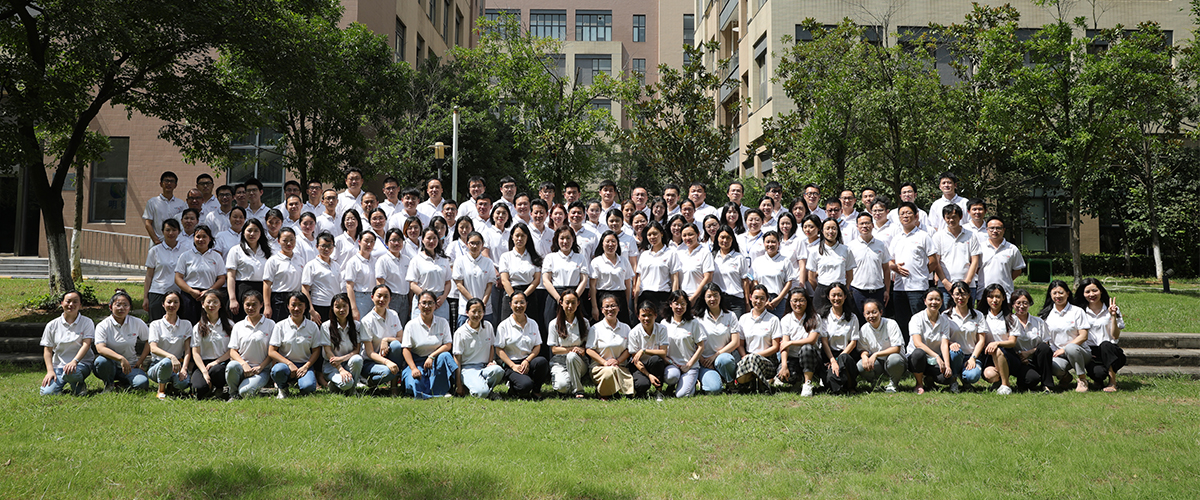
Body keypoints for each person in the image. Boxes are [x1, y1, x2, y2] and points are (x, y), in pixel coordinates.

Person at [890, 202, 940, 343]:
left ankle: (921, 349)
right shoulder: (896, 238)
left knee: (919, 322)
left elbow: (933, 261)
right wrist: (895, 268)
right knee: (902, 321)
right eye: (902, 214)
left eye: (908, 213)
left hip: (918, 288)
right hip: (899, 288)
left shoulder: (924, 236)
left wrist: (922, 273)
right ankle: (905, 350)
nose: (905, 216)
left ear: (916, 216)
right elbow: (890, 261)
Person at [399, 291, 458, 399]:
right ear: (418, 305)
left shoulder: (443, 322)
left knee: (445, 356)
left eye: (430, 303)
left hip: (436, 361)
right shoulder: (411, 325)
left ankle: (441, 390)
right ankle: (429, 392)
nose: (427, 306)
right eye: (424, 303)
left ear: (435, 305)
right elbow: (406, 349)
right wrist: (413, 368)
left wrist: (432, 356)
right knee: (415, 384)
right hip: (417, 362)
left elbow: (448, 345)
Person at [268, 292, 326, 398]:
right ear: (288, 306)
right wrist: (289, 364)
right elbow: (271, 351)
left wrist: (306, 367)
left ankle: (300, 383)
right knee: (278, 370)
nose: (296, 308)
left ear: (305, 306)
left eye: (300, 305)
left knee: (308, 387)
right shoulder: (280, 326)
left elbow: (316, 350)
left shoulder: (312, 326)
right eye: (293, 305)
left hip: (304, 365)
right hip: (285, 365)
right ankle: (283, 388)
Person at [1037, 280, 1091, 393]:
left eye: (1061, 293)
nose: (1058, 296)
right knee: (1051, 366)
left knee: (1071, 348)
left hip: (1079, 352)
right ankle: (1065, 377)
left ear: (1067, 293)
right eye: (1054, 293)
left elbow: (1083, 336)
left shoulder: (1077, 311)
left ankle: (1082, 379)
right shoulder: (1046, 315)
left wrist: (1064, 349)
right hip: (1058, 354)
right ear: (1050, 295)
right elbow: (1045, 338)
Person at [495, 292, 549, 398]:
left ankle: (536, 390)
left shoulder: (533, 323)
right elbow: (499, 349)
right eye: (516, 303)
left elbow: (537, 346)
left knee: (542, 362)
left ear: (526, 304)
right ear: (510, 304)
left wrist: (527, 360)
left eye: (522, 302)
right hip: (512, 363)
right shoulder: (504, 325)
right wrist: (513, 366)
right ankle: (514, 387)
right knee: (525, 386)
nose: (519, 305)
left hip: (528, 361)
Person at [1075, 278, 1125, 392]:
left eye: (1094, 290)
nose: (1091, 294)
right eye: (1087, 292)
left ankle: (1112, 382)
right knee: (1098, 374)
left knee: (1105, 345)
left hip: (1111, 350)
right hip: (1092, 351)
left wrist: (1113, 316)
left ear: (1101, 291)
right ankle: (1098, 380)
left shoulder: (1112, 308)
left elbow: (1115, 336)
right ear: (1082, 294)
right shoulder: (1079, 311)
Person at [541, 226, 590, 343]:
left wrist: (574, 298)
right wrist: (559, 299)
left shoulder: (580, 257)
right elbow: (546, 280)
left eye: (568, 238)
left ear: (573, 239)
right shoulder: (550, 257)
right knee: (553, 331)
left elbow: (584, 279)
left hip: (575, 295)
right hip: (555, 296)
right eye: (562, 238)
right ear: (557, 240)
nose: (565, 241)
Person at [94, 290, 149, 392]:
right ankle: (109, 383)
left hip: (131, 366)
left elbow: (149, 341)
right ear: (110, 307)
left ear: (129, 307)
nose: (122, 308)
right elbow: (100, 348)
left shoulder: (137, 322)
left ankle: (122, 384)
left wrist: (141, 360)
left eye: (125, 305)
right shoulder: (103, 325)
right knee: (101, 361)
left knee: (142, 384)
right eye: (118, 305)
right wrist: (120, 358)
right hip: (110, 366)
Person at [226, 290, 276, 399]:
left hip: (261, 370)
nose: (250, 308)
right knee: (231, 366)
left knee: (245, 392)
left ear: (261, 305)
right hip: (241, 367)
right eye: (247, 304)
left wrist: (261, 367)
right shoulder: (238, 326)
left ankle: (243, 389)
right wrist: (244, 364)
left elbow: (273, 351)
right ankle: (233, 394)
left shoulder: (270, 324)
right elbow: (233, 351)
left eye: (254, 304)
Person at [694, 283, 742, 394]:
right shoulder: (697, 319)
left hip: (723, 358)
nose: (713, 299)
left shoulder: (730, 315)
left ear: (720, 296)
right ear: (704, 298)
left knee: (724, 360)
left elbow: (735, 342)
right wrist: (703, 360)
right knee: (714, 389)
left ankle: (730, 382)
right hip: (706, 362)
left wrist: (716, 355)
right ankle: (711, 380)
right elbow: (694, 344)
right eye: (709, 296)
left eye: (715, 295)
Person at [773, 289, 823, 396]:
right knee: (783, 376)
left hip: (811, 357)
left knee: (806, 348)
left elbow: (812, 340)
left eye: (801, 300)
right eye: (795, 301)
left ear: (807, 301)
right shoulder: (786, 319)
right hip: (793, 358)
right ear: (790, 302)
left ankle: (808, 383)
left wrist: (791, 343)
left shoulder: (815, 317)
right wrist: (784, 365)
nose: (798, 304)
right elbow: (784, 345)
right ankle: (798, 379)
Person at [453, 298, 505, 398]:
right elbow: (457, 359)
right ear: (467, 312)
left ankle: (484, 388)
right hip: (468, 369)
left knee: (498, 371)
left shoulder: (488, 326)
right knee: (481, 393)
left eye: (480, 311)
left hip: (484, 367)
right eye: (474, 311)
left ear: (484, 312)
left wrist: (490, 362)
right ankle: (483, 391)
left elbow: (491, 346)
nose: (477, 315)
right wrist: (458, 384)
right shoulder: (460, 333)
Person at [734, 285, 782, 392]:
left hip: (768, 361)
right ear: (750, 297)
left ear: (767, 299)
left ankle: (761, 385)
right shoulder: (744, 319)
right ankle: (758, 383)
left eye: (762, 298)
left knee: (753, 359)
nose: (758, 301)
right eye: (756, 298)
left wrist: (755, 356)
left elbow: (775, 347)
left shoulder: (773, 320)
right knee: (742, 373)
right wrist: (745, 356)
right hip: (747, 358)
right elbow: (740, 344)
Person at [174, 225, 225, 324]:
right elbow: (178, 278)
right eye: (198, 236)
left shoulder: (216, 256)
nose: (201, 239)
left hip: (209, 296)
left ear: (210, 239)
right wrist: (191, 291)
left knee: (208, 324)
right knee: (188, 324)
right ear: (193, 238)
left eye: (204, 236)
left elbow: (221, 278)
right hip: (189, 295)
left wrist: (209, 291)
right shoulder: (185, 256)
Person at [587, 294, 635, 399]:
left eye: (613, 306)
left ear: (618, 308)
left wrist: (617, 361)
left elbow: (629, 349)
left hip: (620, 367)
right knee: (609, 372)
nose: (610, 309)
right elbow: (589, 350)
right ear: (602, 310)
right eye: (606, 306)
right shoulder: (595, 328)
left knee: (616, 371)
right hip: (600, 367)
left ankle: (610, 389)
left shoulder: (626, 328)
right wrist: (605, 362)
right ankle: (604, 392)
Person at [905, 288, 952, 395]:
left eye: (937, 299)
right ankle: (919, 383)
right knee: (919, 353)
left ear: (942, 301)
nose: (934, 302)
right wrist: (937, 356)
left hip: (933, 360)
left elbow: (944, 344)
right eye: (930, 299)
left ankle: (929, 379)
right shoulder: (916, 318)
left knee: (946, 379)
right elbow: (917, 343)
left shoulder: (945, 320)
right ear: (925, 301)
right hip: (916, 359)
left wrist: (947, 365)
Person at [933, 204, 981, 308]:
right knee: (946, 315)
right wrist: (945, 282)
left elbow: (975, 261)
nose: (951, 220)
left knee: (968, 314)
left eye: (954, 217)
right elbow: (936, 262)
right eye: (948, 217)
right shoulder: (938, 236)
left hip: (968, 286)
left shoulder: (971, 235)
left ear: (960, 217)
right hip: (945, 287)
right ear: (944, 218)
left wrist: (967, 282)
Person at [848, 212, 892, 324]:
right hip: (858, 291)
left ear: (872, 225)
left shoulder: (881, 245)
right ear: (857, 226)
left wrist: (887, 290)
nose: (864, 226)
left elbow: (886, 269)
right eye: (861, 224)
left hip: (878, 290)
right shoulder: (851, 246)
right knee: (859, 322)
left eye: (867, 223)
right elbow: (847, 270)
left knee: (878, 322)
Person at [855, 299, 907, 393]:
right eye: (868, 313)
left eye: (874, 312)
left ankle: (894, 383)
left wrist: (876, 354)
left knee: (894, 359)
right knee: (860, 365)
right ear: (864, 315)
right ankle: (875, 383)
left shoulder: (891, 324)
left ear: (881, 312)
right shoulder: (864, 329)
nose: (871, 316)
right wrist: (864, 356)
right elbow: (863, 349)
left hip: (894, 361)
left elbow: (896, 348)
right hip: (877, 363)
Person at [148, 291, 192, 400]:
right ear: (163, 304)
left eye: (176, 302)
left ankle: (171, 385)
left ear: (179, 304)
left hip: (178, 366)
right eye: (169, 302)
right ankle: (161, 390)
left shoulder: (186, 324)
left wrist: (184, 368)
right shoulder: (155, 324)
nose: (172, 305)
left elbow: (187, 350)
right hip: (158, 364)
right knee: (167, 362)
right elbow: (153, 348)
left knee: (183, 384)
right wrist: (171, 357)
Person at [807, 219, 856, 316]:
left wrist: (844, 289)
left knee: (842, 317)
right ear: (822, 231)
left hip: (840, 290)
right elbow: (811, 277)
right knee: (820, 320)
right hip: (822, 290)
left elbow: (850, 274)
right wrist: (820, 289)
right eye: (827, 228)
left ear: (838, 231)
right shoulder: (815, 251)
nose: (831, 231)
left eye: (834, 228)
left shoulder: (846, 250)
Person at [662, 291, 707, 398]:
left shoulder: (693, 322)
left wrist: (689, 365)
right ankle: (673, 384)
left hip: (690, 366)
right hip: (672, 365)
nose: (679, 307)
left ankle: (691, 382)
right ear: (670, 304)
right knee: (671, 377)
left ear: (687, 305)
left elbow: (701, 346)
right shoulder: (664, 323)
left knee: (681, 395)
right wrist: (670, 362)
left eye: (683, 304)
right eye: (676, 303)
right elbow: (661, 348)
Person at [226, 219, 272, 321]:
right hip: (242, 290)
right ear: (243, 232)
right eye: (249, 230)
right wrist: (232, 299)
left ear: (261, 233)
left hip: (262, 290)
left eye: (256, 231)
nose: (252, 234)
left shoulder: (267, 251)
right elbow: (231, 276)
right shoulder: (236, 250)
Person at [189, 290, 232, 400]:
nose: (211, 305)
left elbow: (232, 350)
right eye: (208, 302)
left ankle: (219, 388)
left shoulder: (229, 325)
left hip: (222, 362)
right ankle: (209, 386)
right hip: (203, 364)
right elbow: (195, 353)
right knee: (199, 389)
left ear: (220, 305)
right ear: (202, 304)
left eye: (215, 302)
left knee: (216, 370)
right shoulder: (198, 327)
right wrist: (204, 372)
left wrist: (216, 362)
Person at [943, 281, 984, 392]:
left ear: (969, 295)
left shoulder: (978, 315)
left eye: (964, 294)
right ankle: (953, 381)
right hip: (954, 356)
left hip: (971, 355)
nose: (960, 298)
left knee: (972, 376)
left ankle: (966, 381)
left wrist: (973, 358)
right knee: (955, 352)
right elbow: (942, 339)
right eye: (957, 294)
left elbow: (981, 340)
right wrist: (951, 343)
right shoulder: (946, 316)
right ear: (952, 296)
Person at [319, 293, 365, 394]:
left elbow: (357, 350)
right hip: (332, 366)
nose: (341, 310)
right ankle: (339, 385)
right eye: (338, 307)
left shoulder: (357, 325)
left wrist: (341, 359)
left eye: (344, 306)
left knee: (357, 359)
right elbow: (328, 352)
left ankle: (352, 389)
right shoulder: (326, 326)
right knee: (346, 383)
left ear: (349, 307)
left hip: (349, 363)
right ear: (332, 308)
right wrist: (340, 369)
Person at [819, 283, 860, 395]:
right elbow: (824, 341)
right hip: (829, 355)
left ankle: (851, 386)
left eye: (840, 295)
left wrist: (838, 360)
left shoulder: (852, 317)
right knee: (830, 380)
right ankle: (839, 385)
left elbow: (853, 342)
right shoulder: (824, 317)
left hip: (847, 354)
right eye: (833, 295)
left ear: (845, 296)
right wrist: (832, 360)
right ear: (828, 297)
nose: (836, 298)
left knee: (844, 359)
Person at [546, 289, 588, 397]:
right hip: (560, 362)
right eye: (567, 302)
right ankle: (570, 381)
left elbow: (587, 345)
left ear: (578, 303)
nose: (570, 306)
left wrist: (582, 350)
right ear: (561, 303)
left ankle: (578, 390)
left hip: (578, 361)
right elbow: (554, 350)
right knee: (562, 387)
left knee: (572, 356)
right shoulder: (554, 324)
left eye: (573, 303)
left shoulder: (584, 323)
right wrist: (572, 349)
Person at [406, 227, 452, 321]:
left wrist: (443, 297)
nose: (432, 241)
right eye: (428, 238)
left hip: (440, 302)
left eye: (434, 238)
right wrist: (426, 297)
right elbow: (412, 284)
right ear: (422, 240)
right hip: (423, 300)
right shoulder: (416, 260)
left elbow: (448, 282)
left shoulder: (443, 259)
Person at [452, 231, 497, 328]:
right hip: (465, 309)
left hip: (485, 310)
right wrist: (474, 303)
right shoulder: (460, 261)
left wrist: (482, 304)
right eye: (472, 243)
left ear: (482, 245)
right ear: (467, 244)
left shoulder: (488, 262)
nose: (475, 246)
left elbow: (489, 285)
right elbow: (459, 285)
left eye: (478, 243)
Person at [977, 284, 1016, 394]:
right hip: (987, 355)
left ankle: (1005, 385)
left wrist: (997, 343)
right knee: (990, 375)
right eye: (990, 296)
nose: (994, 300)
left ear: (1003, 298)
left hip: (1007, 354)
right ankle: (998, 381)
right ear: (985, 298)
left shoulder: (1011, 318)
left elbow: (1012, 342)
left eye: (998, 296)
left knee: (997, 350)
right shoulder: (981, 317)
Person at [144, 219, 186, 321]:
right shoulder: (155, 251)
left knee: (176, 324)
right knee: (156, 324)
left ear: (179, 232)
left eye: (174, 230)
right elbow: (149, 275)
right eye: (168, 230)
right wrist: (145, 297)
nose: (171, 233)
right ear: (162, 231)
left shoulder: (185, 251)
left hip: (178, 293)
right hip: (157, 292)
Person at [589, 231, 634, 325]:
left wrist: (626, 304)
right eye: (607, 241)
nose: (610, 244)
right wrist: (594, 307)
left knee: (622, 326)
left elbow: (627, 285)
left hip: (620, 298)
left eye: (613, 241)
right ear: (602, 244)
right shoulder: (596, 262)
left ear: (617, 243)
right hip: (602, 297)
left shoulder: (624, 261)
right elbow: (592, 286)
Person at [627, 300, 669, 398]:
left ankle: (659, 391)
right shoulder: (633, 333)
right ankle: (641, 391)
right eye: (643, 315)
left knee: (656, 360)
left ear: (655, 315)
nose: (647, 318)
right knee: (642, 384)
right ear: (638, 317)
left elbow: (663, 352)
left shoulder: (662, 329)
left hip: (655, 363)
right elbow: (636, 360)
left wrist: (644, 350)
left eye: (650, 315)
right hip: (639, 365)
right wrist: (649, 375)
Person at [262, 227, 305, 323]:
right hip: (280, 299)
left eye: (292, 240)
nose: (289, 243)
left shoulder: (300, 260)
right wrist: (267, 306)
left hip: (297, 298)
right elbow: (267, 284)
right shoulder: (273, 261)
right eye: (285, 240)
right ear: (278, 241)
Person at [750, 231, 796, 318]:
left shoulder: (785, 261)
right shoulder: (758, 261)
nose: (770, 244)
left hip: (780, 300)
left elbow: (789, 282)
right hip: (761, 301)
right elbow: (755, 281)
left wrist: (778, 300)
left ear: (778, 244)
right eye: (767, 242)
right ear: (764, 243)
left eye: (773, 242)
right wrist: (763, 299)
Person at [977, 216, 1025, 299]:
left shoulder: (1012, 249)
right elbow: (976, 269)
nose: (995, 231)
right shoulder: (980, 248)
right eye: (992, 228)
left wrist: (1006, 279)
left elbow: (1018, 270)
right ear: (987, 229)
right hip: (983, 293)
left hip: (1005, 294)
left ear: (1004, 230)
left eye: (998, 228)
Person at [634, 221, 679, 310]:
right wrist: (636, 301)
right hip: (644, 296)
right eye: (649, 235)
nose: (652, 237)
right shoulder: (644, 254)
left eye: (655, 234)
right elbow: (639, 278)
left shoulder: (671, 253)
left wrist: (674, 301)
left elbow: (675, 278)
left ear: (661, 234)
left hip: (662, 296)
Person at [711, 226, 751, 318]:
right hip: (718, 301)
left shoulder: (739, 258)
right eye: (722, 237)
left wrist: (747, 303)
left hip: (736, 301)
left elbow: (745, 281)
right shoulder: (712, 257)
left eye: (728, 237)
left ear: (732, 239)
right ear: (717, 238)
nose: (725, 240)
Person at [376, 228, 412, 324]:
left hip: (405, 299)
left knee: (402, 326)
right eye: (393, 240)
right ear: (387, 243)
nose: (397, 243)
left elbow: (409, 283)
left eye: (399, 240)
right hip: (391, 298)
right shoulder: (383, 260)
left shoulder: (407, 260)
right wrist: (385, 303)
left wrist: (410, 302)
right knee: (390, 325)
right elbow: (380, 283)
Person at [142, 171, 186, 245]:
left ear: (175, 185)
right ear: (161, 184)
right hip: (157, 242)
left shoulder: (181, 203)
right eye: (166, 181)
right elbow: (148, 224)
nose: (169, 183)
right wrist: (156, 241)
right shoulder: (152, 202)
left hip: (175, 242)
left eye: (172, 181)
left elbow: (182, 224)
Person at [676, 224, 715, 306]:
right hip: (683, 299)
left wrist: (694, 298)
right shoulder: (680, 254)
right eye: (684, 235)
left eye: (691, 234)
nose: (687, 238)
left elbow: (708, 277)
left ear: (698, 234)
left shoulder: (705, 253)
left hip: (699, 299)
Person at [343, 230, 378, 321]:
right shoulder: (353, 262)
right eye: (366, 241)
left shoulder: (376, 261)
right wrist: (353, 308)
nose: (369, 244)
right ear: (359, 242)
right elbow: (349, 286)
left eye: (372, 241)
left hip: (374, 298)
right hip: (360, 299)